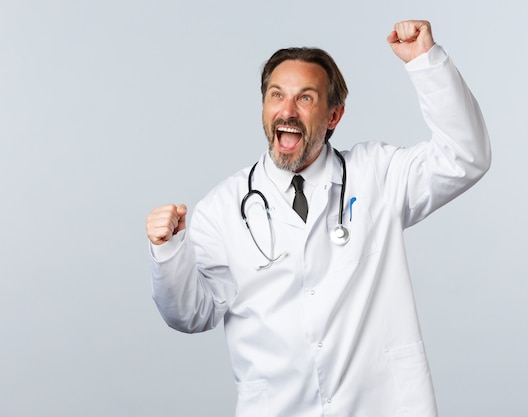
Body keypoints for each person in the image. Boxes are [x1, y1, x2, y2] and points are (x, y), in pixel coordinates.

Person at [146, 19, 491, 417]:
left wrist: (426, 64)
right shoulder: (223, 207)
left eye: (306, 98)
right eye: (277, 95)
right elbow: (190, 314)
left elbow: (466, 156)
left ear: (333, 116)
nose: (287, 111)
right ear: (264, 106)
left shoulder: (377, 174)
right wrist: (168, 252)